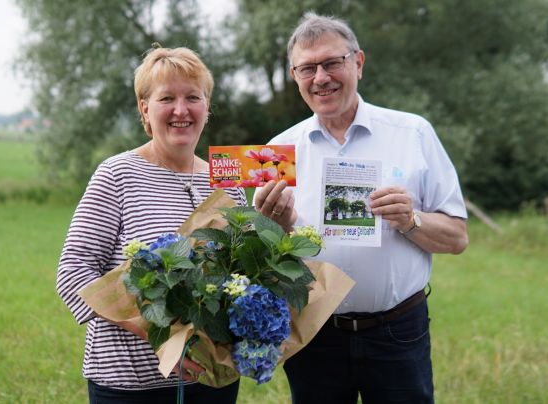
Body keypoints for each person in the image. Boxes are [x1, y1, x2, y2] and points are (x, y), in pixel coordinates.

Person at [254, 12, 469, 404]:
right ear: (294, 76)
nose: (321, 77)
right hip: (313, 333)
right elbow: (262, 261)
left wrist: (411, 219)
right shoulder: (277, 153)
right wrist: (277, 227)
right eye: (307, 68)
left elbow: (457, 238)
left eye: (332, 62)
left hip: (397, 331)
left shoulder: (413, 134)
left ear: (359, 63)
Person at [56, 45, 246, 404]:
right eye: (166, 98)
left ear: (207, 107)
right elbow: (73, 272)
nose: (180, 110)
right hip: (130, 386)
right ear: (145, 108)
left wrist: (277, 221)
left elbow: (243, 274)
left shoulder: (227, 181)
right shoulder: (117, 175)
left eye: (193, 97)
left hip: (212, 382)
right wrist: (161, 338)